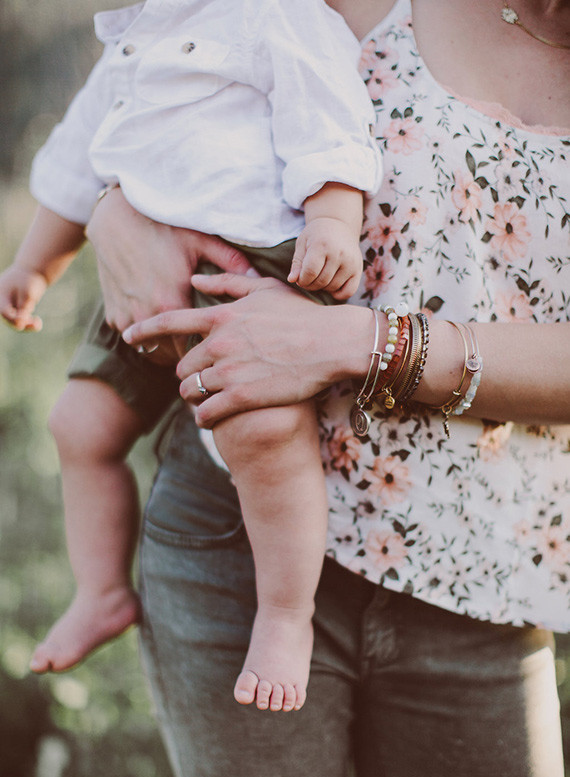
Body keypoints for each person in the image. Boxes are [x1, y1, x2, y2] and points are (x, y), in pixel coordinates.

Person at [84, 0, 570, 777]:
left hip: (484, 579)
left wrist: (359, 343)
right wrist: (111, 208)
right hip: (235, 537)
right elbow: (168, 55)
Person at [0, 0, 383, 712]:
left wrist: (333, 218)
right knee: (77, 423)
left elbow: (329, 120)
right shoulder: (132, 38)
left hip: (247, 273)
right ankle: (102, 590)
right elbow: (75, 159)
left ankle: (283, 615)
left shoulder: (277, 15)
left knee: (263, 434)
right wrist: (32, 265)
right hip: (144, 290)